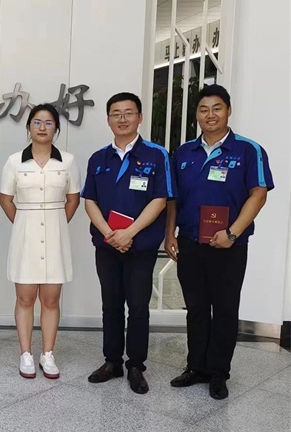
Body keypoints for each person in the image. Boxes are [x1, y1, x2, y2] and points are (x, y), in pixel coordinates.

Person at [166, 84, 273, 400]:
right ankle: (196, 366)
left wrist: (233, 233)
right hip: (190, 242)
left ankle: (218, 372)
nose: (210, 115)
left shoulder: (248, 150)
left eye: (217, 108)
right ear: (197, 115)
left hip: (230, 245)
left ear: (228, 111)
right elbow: (173, 199)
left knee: (225, 308)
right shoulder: (184, 152)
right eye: (203, 109)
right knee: (196, 308)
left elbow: (259, 194)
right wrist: (169, 233)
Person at [82, 92, 172, 394]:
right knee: (110, 305)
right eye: (116, 114)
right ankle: (112, 361)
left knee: (138, 306)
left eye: (128, 113)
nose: (122, 119)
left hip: (141, 246)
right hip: (107, 246)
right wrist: (111, 234)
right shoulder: (98, 158)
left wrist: (129, 233)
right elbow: (89, 200)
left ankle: (136, 365)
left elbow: (160, 200)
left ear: (140, 117)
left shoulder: (156, 155)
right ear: (108, 120)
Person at [0, 104, 80, 380]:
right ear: (28, 127)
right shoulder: (14, 162)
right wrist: (24, 223)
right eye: (36, 122)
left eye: (48, 123)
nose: (42, 127)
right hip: (25, 239)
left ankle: (47, 353)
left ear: (56, 128)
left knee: (51, 299)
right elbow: (5, 200)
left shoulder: (67, 161)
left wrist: (57, 223)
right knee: (25, 298)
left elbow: (73, 199)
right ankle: (25, 353)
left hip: (55, 239)